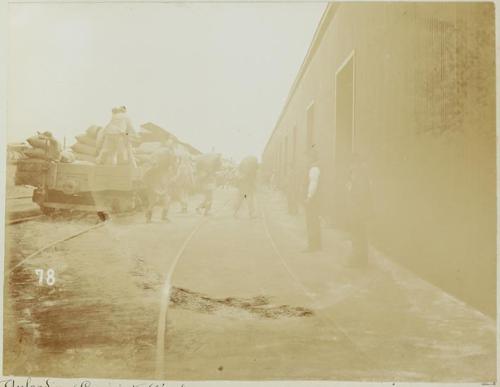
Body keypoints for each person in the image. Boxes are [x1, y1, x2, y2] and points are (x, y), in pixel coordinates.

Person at [346, 153, 372, 266]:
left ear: (355, 164)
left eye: (351, 164)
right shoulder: (361, 176)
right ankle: (362, 260)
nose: (349, 167)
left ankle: (357, 261)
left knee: (357, 236)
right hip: (359, 211)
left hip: (358, 211)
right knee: (360, 236)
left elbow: (361, 195)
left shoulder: (359, 177)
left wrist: (350, 188)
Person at [142, 148, 177, 223]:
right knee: (153, 203)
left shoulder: (164, 170)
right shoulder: (153, 170)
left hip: (160, 188)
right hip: (154, 188)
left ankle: (162, 217)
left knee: (166, 201)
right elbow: (145, 178)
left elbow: (167, 179)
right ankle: (149, 218)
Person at [303, 148, 322, 252]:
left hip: (313, 199)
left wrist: (309, 197)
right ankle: (317, 245)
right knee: (315, 221)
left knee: (311, 222)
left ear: (311, 158)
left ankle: (312, 246)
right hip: (316, 199)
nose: (306, 160)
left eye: (307, 157)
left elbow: (313, 184)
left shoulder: (313, 169)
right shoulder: (316, 167)